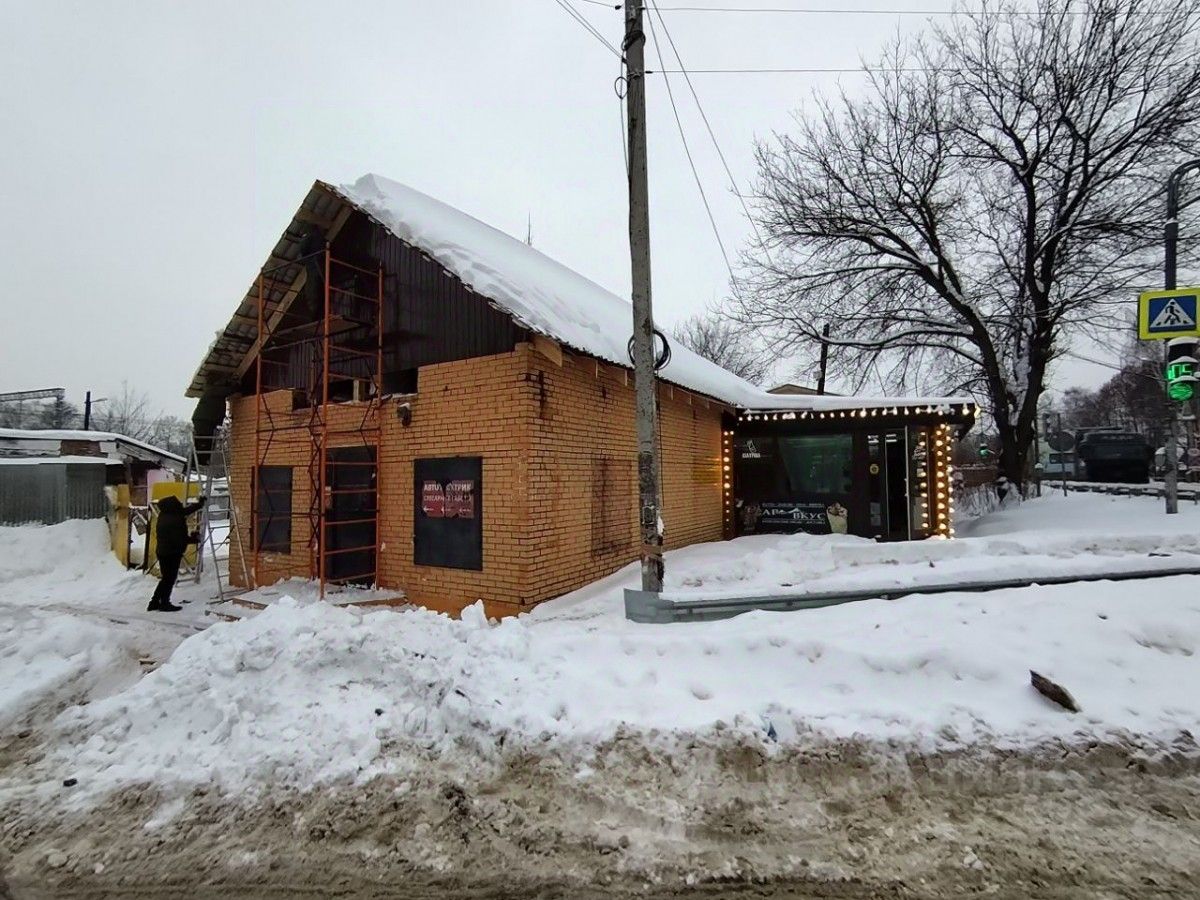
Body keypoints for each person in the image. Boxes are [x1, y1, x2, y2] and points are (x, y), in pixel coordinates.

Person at [148, 494, 205, 612]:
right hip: (171, 553)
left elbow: (184, 512)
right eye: (178, 503)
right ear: (173, 506)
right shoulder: (174, 520)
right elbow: (179, 539)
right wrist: (194, 539)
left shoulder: (165, 515)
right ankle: (164, 603)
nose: (180, 505)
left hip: (163, 552)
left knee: (165, 579)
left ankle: (154, 602)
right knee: (169, 579)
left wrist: (198, 505)